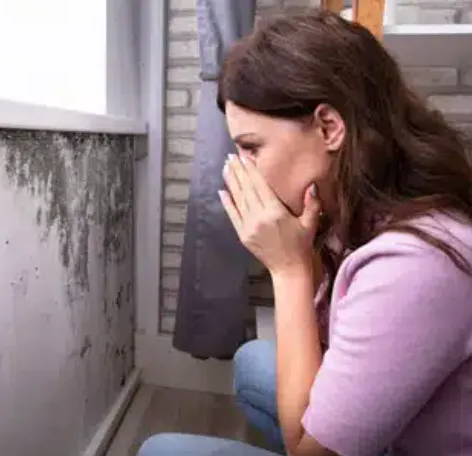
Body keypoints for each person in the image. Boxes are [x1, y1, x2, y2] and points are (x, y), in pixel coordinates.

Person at [138, 9, 472, 456]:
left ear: (329, 128)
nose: (241, 169)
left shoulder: (413, 266)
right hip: (399, 429)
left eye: (252, 147)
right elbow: (327, 338)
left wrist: (288, 270)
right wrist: (306, 245)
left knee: (162, 451)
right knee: (253, 360)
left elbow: (309, 452)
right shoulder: (360, 205)